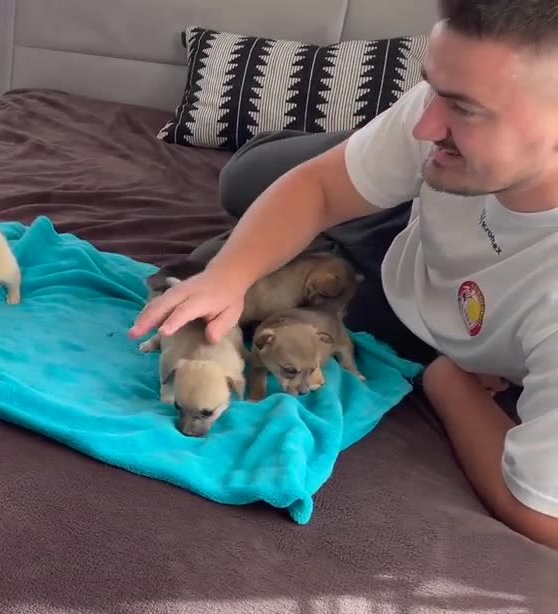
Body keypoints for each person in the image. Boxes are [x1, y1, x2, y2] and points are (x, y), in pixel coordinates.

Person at [129, 0, 558, 550]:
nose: (426, 123)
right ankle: (343, 170)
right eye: (430, 87)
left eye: (463, 108)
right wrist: (226, 279)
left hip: (404, 291)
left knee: (245, 249)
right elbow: (320, 188)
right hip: (411, 233)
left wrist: (446, 381)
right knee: (243, 183)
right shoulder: (431, 125)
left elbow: (542, 511)